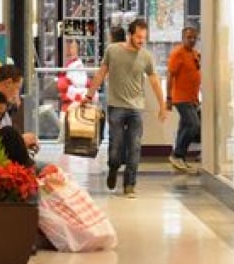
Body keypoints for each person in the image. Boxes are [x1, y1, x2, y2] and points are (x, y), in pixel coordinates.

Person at [84, 19, 167, 199]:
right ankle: (113, 168)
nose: (141, 41)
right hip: (116, 107)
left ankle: (130, 184)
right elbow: (101, 73)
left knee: (135, 146)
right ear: (130, 35)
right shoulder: (112, 51)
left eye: (144, 38)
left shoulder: (146, 56)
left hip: (136, 108)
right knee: (116, 146)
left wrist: (163, 104)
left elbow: (154, 80)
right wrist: (89, 96)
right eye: (138, 37)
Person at [167, 26, 201, 173]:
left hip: (192, 98)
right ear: (183, 38)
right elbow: (170, 76)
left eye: (194, 37)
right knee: (194, 125)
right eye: (189, 37)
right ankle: (177, 154)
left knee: (184, 126)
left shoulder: (195, 54)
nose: (192, 40)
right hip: (180, 98)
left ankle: (179, 157)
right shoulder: (177, 53)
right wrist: (168, 97)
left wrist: (196, 97)